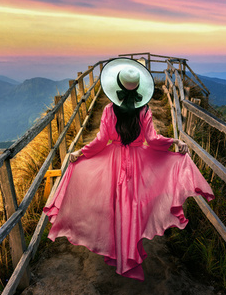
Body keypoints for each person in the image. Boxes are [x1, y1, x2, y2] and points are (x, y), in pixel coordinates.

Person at [44, 58, 214, 280]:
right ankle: (128, 255)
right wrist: (173, 142)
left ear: (117, 87)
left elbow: (100, 141)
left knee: (115, 205)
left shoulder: (108, 110)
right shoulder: (144, 111)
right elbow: (153, 140)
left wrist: (81, 153)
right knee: (131, 207)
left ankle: (118, 253)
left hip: (113, 162)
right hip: (137, 163)